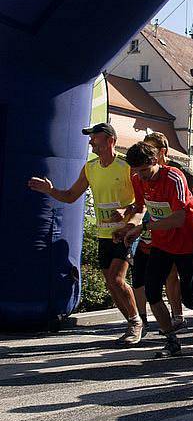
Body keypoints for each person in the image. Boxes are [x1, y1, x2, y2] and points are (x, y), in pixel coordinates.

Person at [28, 122, 143, 346]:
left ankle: (136, 322)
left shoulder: (127, 167)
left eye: (95, 138)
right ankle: (132, 321)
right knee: (110, 284)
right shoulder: (90, 168)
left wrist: (127, 215)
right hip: (103, 234)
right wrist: (50, 191)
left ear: (110, 140)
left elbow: (142, 203)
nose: (91, 142)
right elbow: (71, 195)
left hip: (126, 232)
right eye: (91, 138)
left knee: (117, 279)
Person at [121, 141, 193, 357]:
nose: (141, 176)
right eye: (136, 172)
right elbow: (140, 209)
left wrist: (145, 226)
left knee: (190, 299)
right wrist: (131, 225)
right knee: (152, 291)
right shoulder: (138, 179)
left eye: (144, 170)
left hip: (187, 241)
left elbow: (178, 218)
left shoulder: (174, 177)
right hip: (162, 242)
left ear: (155, 161)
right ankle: (171, 340)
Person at [143, 132, 193, 330]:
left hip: (185, 234)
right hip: (164, 234)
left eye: (151, 149)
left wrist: (185, 212)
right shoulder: (147, 174)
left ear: (162, 152)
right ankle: (177, 316)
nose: (147, 153)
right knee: (169, 277)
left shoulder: (177, 170)